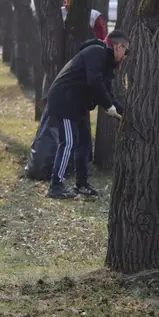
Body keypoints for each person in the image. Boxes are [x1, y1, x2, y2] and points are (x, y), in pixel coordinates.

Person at [44, 30, 128, 199]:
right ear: (118, 47)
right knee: (68, 142)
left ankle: (82, 184)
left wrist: (124, 112)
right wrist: (108, 105)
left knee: (84, 143)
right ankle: (55, 186)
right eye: (126, 50)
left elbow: (107, 92)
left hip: (78, 105)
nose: (126, 55)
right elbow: (94, 81)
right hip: (65, 101)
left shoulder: (107, 63)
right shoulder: (96, 52)